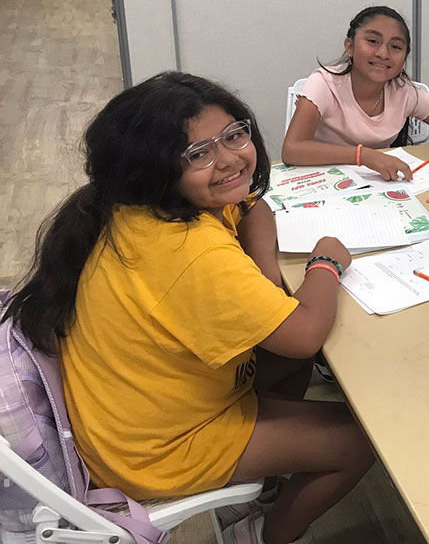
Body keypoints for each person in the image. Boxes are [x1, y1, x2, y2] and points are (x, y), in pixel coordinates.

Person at [4, 72, 374, 544]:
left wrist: (265, 281)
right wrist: (325, 263)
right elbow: (305, 336)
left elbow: (255, 208)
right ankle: (264, 535)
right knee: (358, 442)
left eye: (234, 135)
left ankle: (257, 486)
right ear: (153, 170)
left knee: (286, 361)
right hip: (154, 449)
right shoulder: (189, 250)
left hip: (141, 411)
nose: (229, 159)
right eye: (198, 154)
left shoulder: (144, 207)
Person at [281, 5, 429, 179]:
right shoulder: (324, 83)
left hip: (380, 187)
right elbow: (292, 149)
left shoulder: (404, 93)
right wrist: (364, 156)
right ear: (349, 47)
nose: (383, 53)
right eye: (372, 41)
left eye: (395, 46)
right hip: (322, 182)